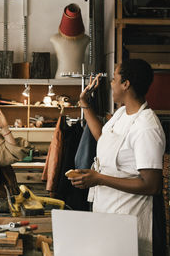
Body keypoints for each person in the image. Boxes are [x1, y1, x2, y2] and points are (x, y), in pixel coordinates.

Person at [69, 59, 166, 256]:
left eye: (114, 79)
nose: (111, 84)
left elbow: (152, 185)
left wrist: (98, 178)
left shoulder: (147, 128)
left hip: (131, 221)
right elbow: (103, 138)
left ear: (126, 84)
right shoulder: (122, 113)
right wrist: (84, 103)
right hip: (109, 215)